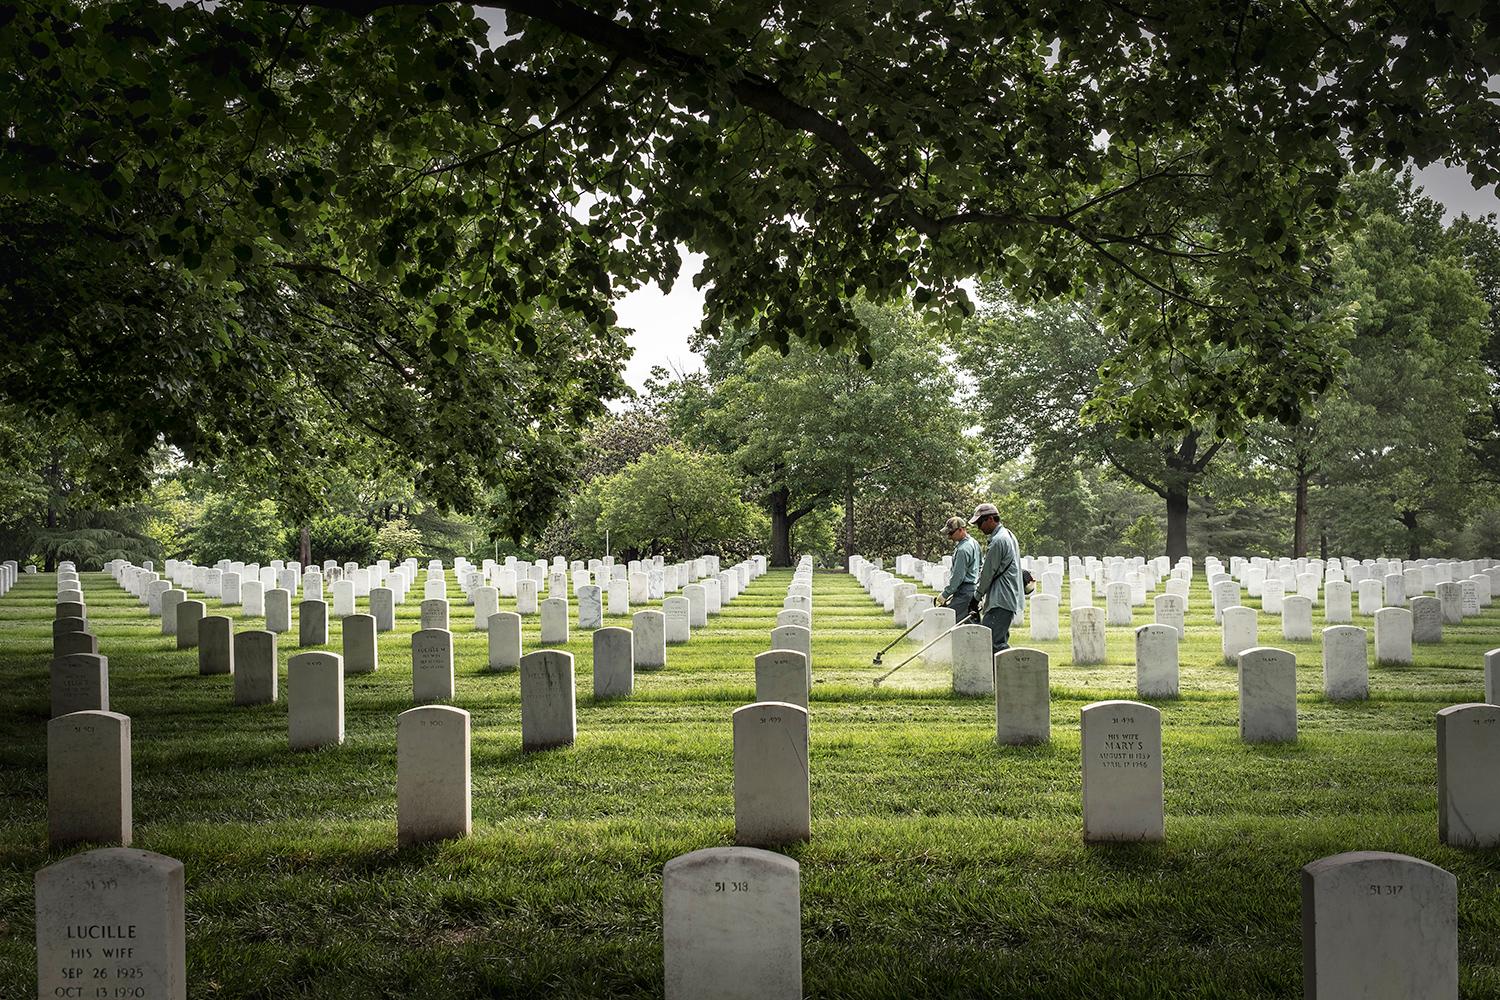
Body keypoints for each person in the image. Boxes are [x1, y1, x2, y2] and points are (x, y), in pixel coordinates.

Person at [971, 502, 1025, 654]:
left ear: (991, 519)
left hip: (1000, 599)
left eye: (980, 523)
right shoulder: (1008, 534)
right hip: (1005, 597)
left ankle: (1015, 674)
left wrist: (976, 597)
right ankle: (1001, 677)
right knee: (997, 641)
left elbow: (988, 573)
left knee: (993, 643)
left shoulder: (998, 541)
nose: (979, 527)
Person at [938, 516, 980, 624]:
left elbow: (958, 576)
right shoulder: (974, 543)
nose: (949, 536)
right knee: (971, 626)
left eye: (951, 533)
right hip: (972, 590)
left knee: (949, 622)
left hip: (964, 592)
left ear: (961, 530)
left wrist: (945, 594)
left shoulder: (963, 550)